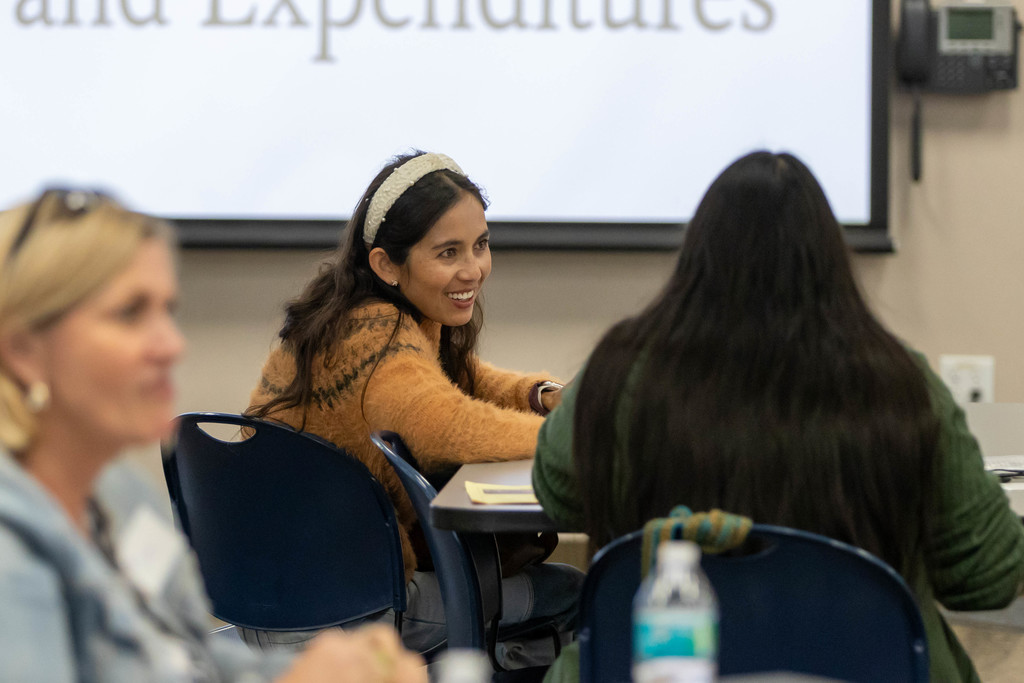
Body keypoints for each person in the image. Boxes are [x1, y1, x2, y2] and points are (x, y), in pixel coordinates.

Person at [532, 151, 1024, 683]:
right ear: (832, 258)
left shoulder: (618, 371)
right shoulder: (902, 382)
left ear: (697, 255)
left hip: (656, 664)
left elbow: (557, 495)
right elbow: (987, 576)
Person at [0, 188, 426, 683]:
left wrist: (318, 671)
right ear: (25, 350)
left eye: (167, 311)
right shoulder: (12, 556)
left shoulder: (119, 496)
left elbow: (197, 657)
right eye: (129, 314)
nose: (171, 344)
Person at [246, 152, 583, 663]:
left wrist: (544, 396)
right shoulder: (374, 337)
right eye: (448, 252)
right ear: (386, 263)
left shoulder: (356, 315)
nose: (473, 269)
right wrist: (580, 436)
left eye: (481, 245)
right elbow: (445, 422)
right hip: (343, 613)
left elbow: (466, 381)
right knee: (581, 591)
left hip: (284, 595)